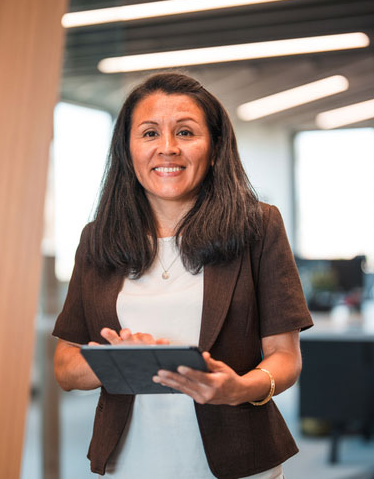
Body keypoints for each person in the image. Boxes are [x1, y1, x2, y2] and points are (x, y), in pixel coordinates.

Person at [52, 72, 313, 479]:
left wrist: (240, 388)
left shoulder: (258, 227)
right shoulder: (98, 238)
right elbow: (65, 365)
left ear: (213, 147)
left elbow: (285, 357)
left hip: (238, 463)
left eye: (186, 132)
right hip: (130, 462)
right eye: (150, 133)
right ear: (127, 148)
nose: (168, 148)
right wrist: (113, 364)